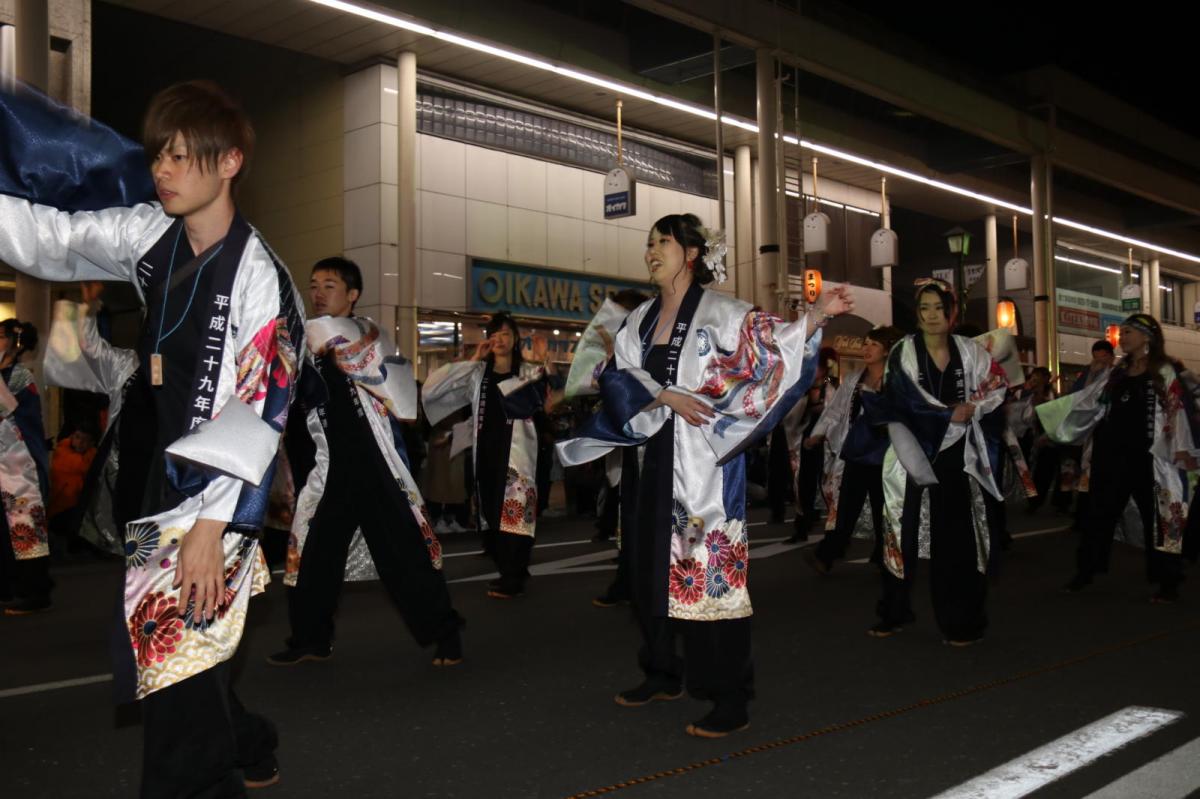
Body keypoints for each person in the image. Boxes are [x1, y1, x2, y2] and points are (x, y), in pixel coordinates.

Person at [8, 81, 299, 795]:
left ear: (228, 162)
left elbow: (262, 405)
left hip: (220, 501)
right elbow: (53, 240)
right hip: (157, 491)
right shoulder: (149, 236)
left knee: (173, 679)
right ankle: (250, 741)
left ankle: (214, 768)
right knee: (171, 660)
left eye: (180, 156)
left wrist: (209, 524)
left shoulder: (260, 275)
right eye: (158, 156)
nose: (162, 171)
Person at [559, 213, 852, 737]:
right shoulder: (641, 318)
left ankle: (729, 695)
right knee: (649, 569)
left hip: (702, 467)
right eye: (649, 243)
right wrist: (664, 393)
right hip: (650, 457)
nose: (652, 251)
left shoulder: (722, 312)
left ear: (691, 253)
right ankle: (662, 670)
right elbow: (618, 375)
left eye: (663, 243)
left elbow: (770, 346)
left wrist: (814, 317)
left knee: (708, 574)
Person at [270, 257, 463, 667]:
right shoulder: (305, 344)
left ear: (352, 295)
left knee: (406, 556)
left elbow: (391, 388)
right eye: (314, 285)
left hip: (374, 465)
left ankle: (445, 633)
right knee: (311, 554)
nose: (318, 293)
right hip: (330, 469)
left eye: (329, 286)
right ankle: (310, 638)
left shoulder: (368, 335)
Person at [866, 280, 1008, 646]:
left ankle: (963, 621)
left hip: (959, 456)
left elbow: (998, 384)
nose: (931, 315)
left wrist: (975, 407)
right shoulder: (903, 352)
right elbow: (903, 399)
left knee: (958, 542)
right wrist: (947, 415)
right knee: (900, 534)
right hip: (912, 452)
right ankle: (894, 611)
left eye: (938, 307)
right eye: (924, 308)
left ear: (952, 312)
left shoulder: (970, 351)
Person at [1041, 314, 1194, 603]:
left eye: (1127, 332)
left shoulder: (1164, 370)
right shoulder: (1117, 373)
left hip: (1150, 456)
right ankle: (1085, 572)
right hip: (1111, 455)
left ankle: (1168, 581)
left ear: (1146, 337)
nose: (1121, 337)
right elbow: (1090, 404)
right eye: (1121, 332)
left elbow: (1177, 411)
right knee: (1099, 514)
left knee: (1160, 519)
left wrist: (1181, 447)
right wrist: (1058, 429)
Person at [422, 313, 552, 599]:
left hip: (518, 456)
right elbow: (435, 388)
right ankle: (512, 569)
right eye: (494, 334)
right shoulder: (479, 374)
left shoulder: (527, 371)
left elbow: (543, 404)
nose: (499, 340)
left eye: (506, 334)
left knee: (516, 517)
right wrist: (471, 359)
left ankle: (512, 576)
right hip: (486, 454)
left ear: (515, 338)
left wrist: (541, 365)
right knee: (493, 516)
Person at [803, 325, 905, 574]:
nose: (866, 348)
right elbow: (835, 410)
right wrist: (817, 434)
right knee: (846, 507)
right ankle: (827, 553)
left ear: (886, 351)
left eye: (873, 345)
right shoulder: (851, 379)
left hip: (887, 456)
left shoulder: (897, 382)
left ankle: (885, 557)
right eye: (865, 343)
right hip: (858, 453)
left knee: (886, 510)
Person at [0, 319, 52, 615]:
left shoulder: (20, 376)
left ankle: (35, 592)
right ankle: (7, 587)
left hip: (19, 466)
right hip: (4, 463)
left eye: (1, 336)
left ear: (15, 343)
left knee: (25, 529)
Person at [47, 420, 99, 551]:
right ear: (71, 437)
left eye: (85, 440)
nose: (80, 442)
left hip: (78, 507)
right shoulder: (62, 451)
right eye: (77, 437)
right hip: (59, 509)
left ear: (91, 443)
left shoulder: (92, 455)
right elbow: (80, 467)